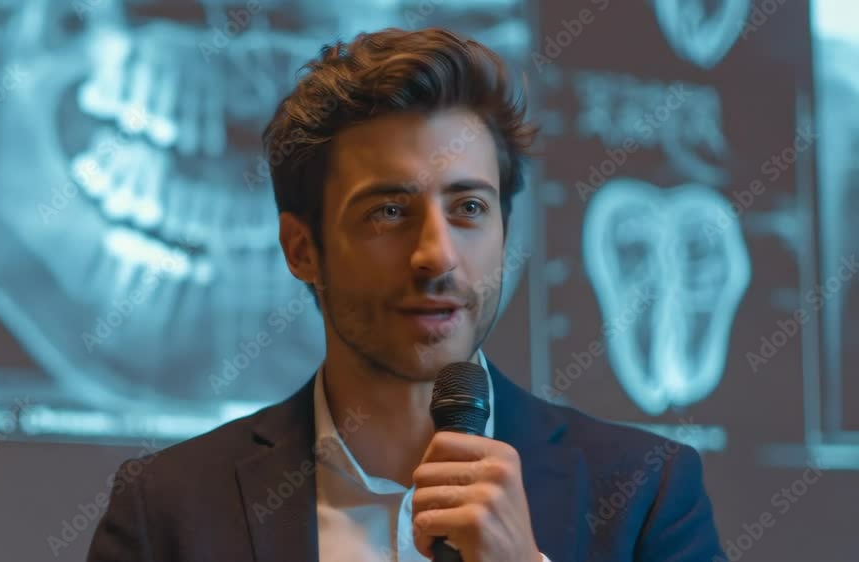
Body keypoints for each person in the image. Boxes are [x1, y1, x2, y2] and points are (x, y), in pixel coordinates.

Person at [86, 27, 725, 562]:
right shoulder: (166, 513)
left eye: (469, 207)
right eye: (389, 212)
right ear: (302, 249)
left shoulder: (648, 495)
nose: (437, 255)